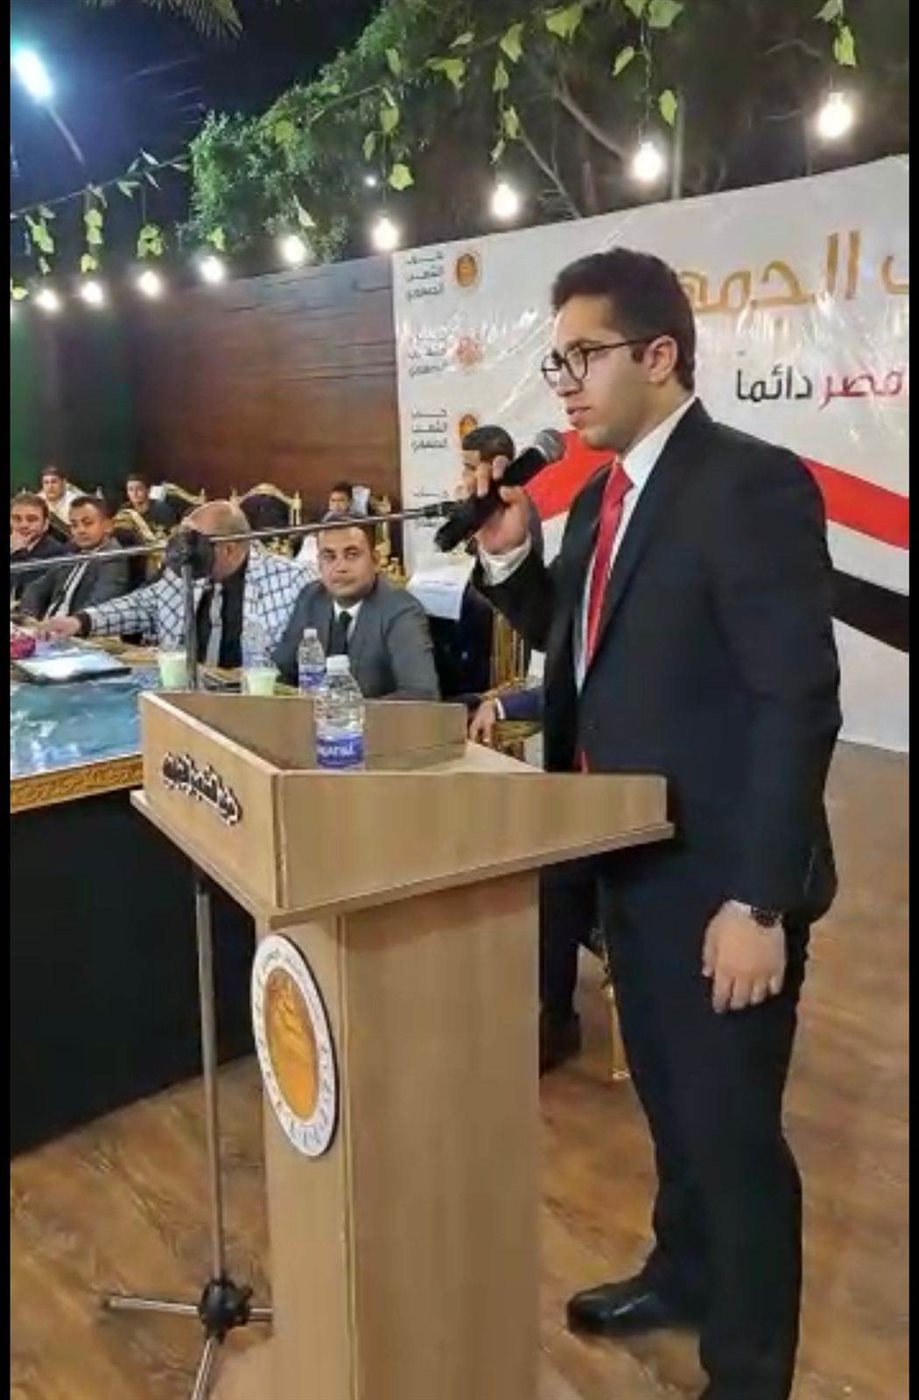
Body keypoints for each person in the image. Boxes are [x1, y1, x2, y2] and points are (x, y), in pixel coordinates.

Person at [472, 248, 841, 1400]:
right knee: (674, 1111)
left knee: (733, 1135)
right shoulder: (603, 496)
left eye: (580, 356)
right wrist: (512, 558)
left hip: (721, 878)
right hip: (625, 859)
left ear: (660, 353)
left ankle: (748, 1369)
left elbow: (795, 699)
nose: (563, 383)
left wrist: (759, 899)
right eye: (555, 361)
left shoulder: (750, 484)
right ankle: (681, 1275)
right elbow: (582, 651)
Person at [470, 686, 598, 1076]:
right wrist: (499, 706)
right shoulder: (590, 661)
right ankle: (516, 1005)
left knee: (555, 874)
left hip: (640, 807)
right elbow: (565, 691)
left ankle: (555, 1021)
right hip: (582, 805)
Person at [40, 500, 306, 663]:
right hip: (187, 693)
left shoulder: (291, 581)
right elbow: (142, 605)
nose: (183, 551)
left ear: (229, 549)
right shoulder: (186, 569)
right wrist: (81, 621)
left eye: (194, 542)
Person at [275, 515, 440, 700]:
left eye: (352, 555)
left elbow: (422, 694)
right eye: (329, 557)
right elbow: (282, 672)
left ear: (375, 560)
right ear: (319, 564)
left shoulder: (401, 610)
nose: (340, 567)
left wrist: (347, 711)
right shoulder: (311, 598)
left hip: (373, 718)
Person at [20, 496, 130, 620]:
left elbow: (96, 608)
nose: (80, 530)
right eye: (74, 525)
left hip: (77, 628)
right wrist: (28, 617)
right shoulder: (72, 552)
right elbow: (35, 589)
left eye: (87, 523)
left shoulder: (113, 557)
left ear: (108, 526)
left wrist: (61, 626)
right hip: (44, 625)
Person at [10, 493, 71, 605]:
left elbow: (29, 593)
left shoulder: (57, 553)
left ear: (45, 524)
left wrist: (18, 554)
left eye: (31, 519)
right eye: (17, 519)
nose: (23, 525)